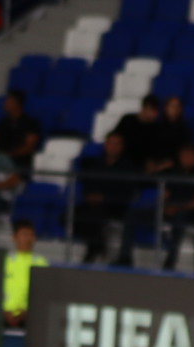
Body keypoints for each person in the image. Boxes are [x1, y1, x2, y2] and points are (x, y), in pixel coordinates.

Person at [73, 130, 139, 264]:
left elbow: (129, 192)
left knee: (94, 215)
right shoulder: (96, 164)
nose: (113, 147)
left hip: (116, 205)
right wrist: (90, 196)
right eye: (111, 143)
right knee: (67, 216)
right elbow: (88, 184)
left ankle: (93, 250)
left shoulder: (128, 166)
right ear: (105, 145)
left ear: (122, 147)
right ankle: (98, 245)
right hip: (93, 204)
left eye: (117, 144)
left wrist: (105, 197)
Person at [160, 143, 194, 271]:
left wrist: (177, 208)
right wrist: (165, 207)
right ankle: (125, 256)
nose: (186, 159)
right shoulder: (173, 174)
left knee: (179, 219)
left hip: (191, 213)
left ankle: (170, 260)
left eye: (190, 156)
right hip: (170, 209)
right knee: (135, 212)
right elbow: (165, 196)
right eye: (184, 156)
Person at [2, 219, 47, 328]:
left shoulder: (41, 263)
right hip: (3, 316)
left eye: (31, 235)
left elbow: (43, 293)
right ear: (14, 237)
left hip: (30, 318)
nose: (28, 239)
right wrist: (4, 312)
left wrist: (26, 312)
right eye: (24, 235)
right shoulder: (5, 261)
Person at [116, 95, 171, 174]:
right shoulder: (127, 120)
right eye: (155, 111)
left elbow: (157, 151)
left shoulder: (156, 128)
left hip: (144, 167)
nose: (157, 115)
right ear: (146, 108)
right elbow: (115, 138)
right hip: (124, 162)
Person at [0, 88, 41, 177]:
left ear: (17, 103)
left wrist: (9, 155)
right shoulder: (2, 122)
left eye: (8, 101)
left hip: (20, 162)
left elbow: (29, 147)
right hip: (1, 161)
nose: (5, 103)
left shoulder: (30, 123)